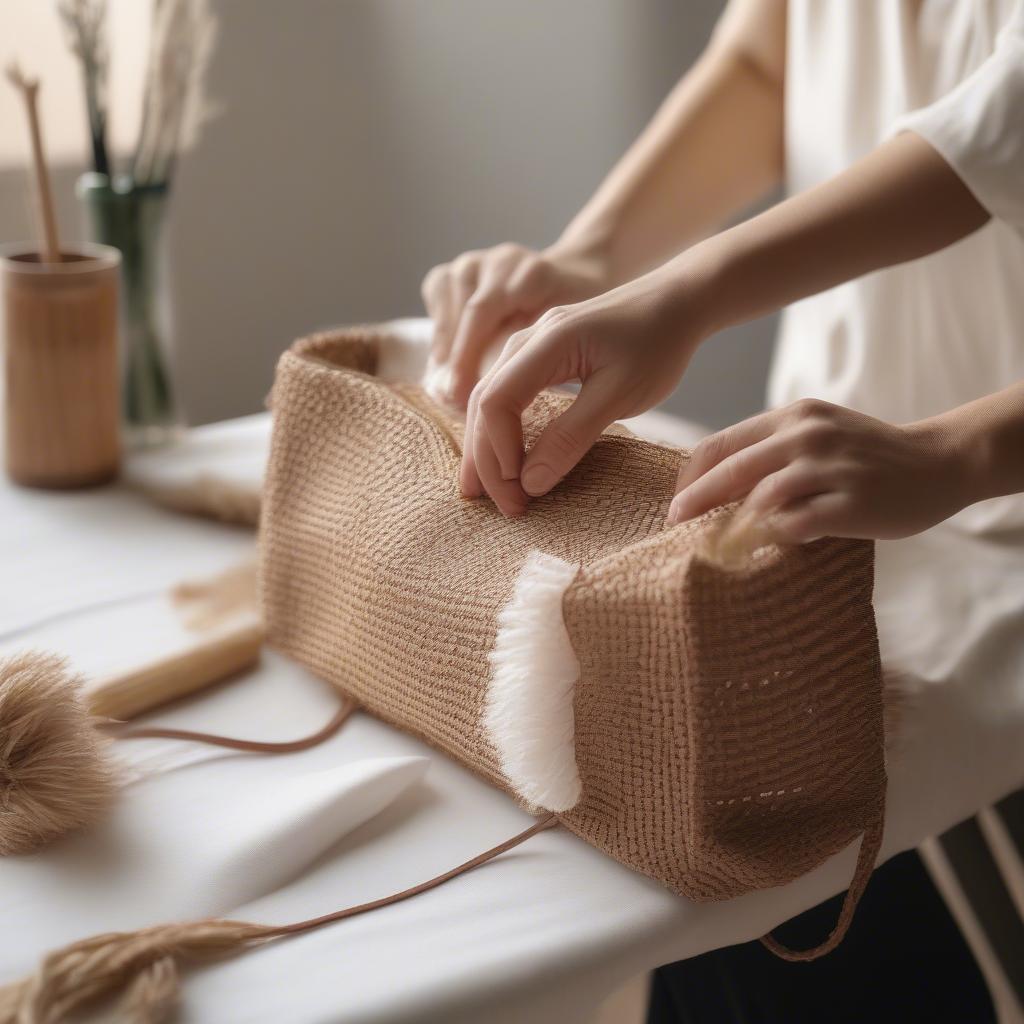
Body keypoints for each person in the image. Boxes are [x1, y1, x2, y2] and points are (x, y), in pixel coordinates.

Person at [421, 1, 1024, 1020]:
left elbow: (990, 139)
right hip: (822, 504)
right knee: (730, 902)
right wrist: (594, 258)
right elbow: (766, 55)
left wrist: (959, 450)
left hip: (989, 511)